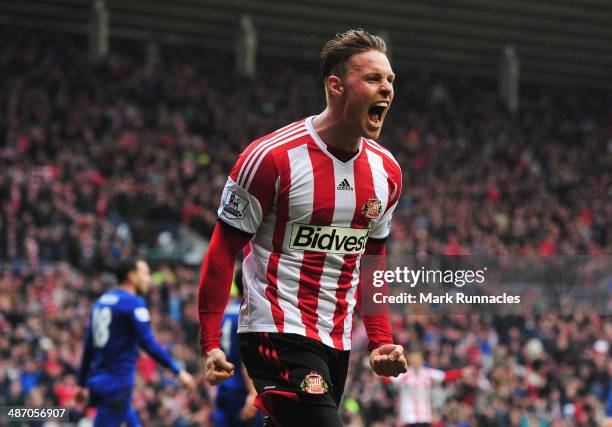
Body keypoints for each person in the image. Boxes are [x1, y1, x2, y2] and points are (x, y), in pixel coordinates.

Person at [198, 29, 407, 427]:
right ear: (336, 86)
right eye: (373, 79)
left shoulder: (387, 172)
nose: (387, 89)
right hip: (274, 330)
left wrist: (380, 340)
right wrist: (210, 341)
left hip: (335, 341)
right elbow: (223, 249)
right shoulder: (271, 158)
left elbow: (373, 260)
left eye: (391, 80)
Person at [76, 259, 196, 427]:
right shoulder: (133, 303)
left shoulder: (100, 302)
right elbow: (148, 343)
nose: (149, 279)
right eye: (145, 274)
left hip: (98, 382)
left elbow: (88, 347)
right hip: (117, 384)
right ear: (132, 276)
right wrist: (178, 371)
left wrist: (81, 384)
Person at [212, 269, 264, 427]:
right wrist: (253, 393)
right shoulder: (248, 314)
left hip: (225, 388)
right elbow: (246, 359)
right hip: (243, 390)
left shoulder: (225, 313)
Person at [389, 349, 475, 427]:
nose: (414, 360)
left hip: (425, 416)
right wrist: (379, 370)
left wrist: (462, 372)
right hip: (408, 417)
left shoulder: (428, 373)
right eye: (412, 358)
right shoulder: (403, 375)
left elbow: (445, 376)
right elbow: (388, 379)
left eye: (417, 358)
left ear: (422, 360)